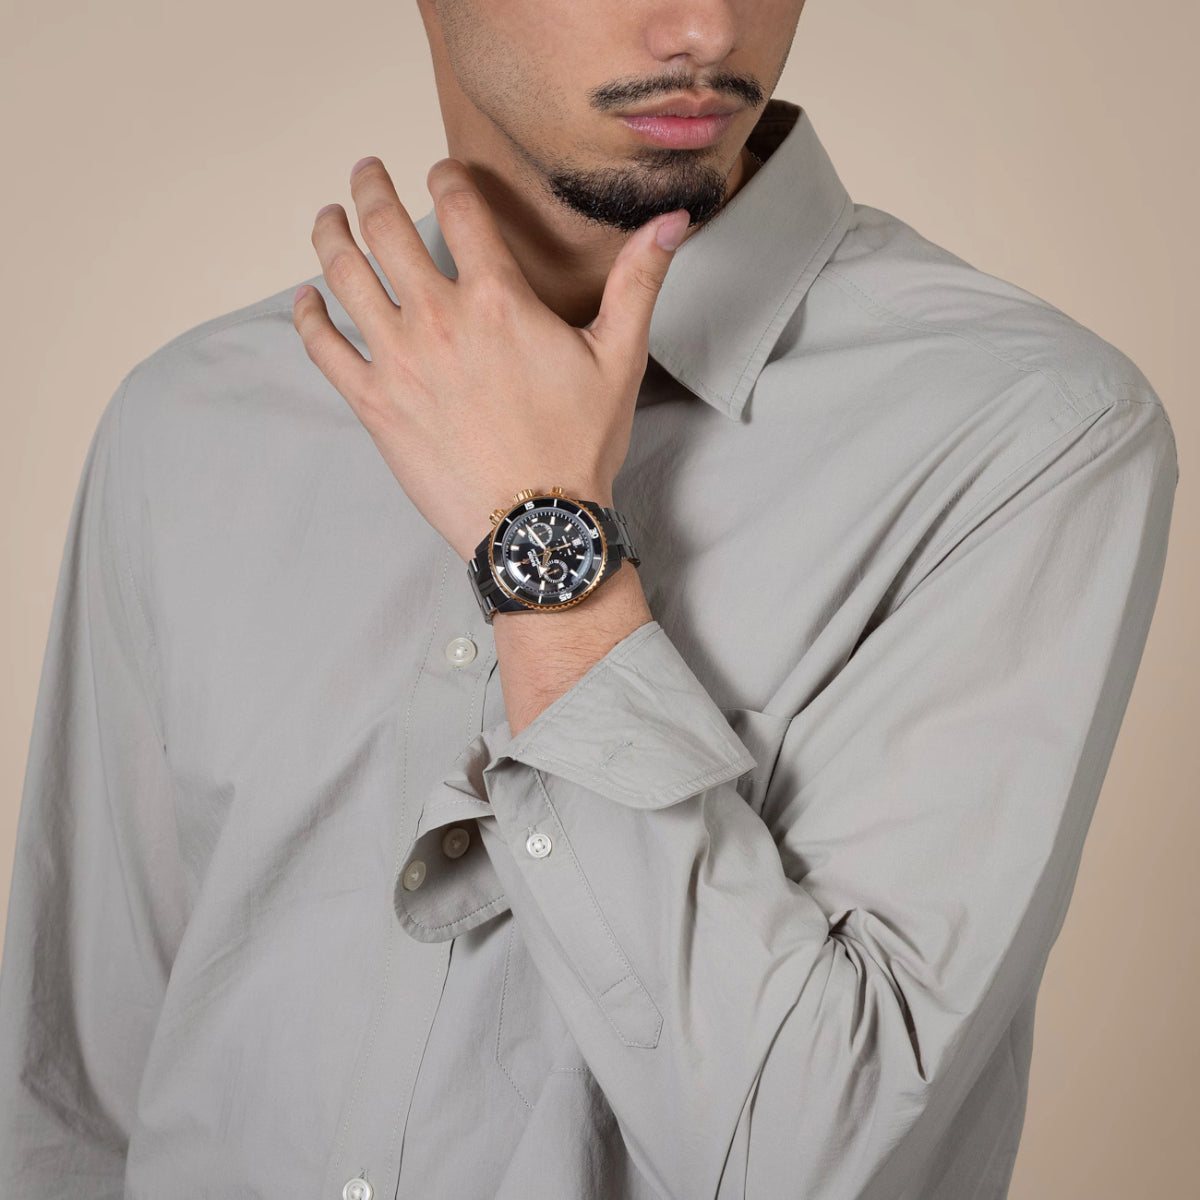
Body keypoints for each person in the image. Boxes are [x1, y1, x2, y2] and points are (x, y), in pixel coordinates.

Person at [0, 0, 1179, 1196]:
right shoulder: (192, 421)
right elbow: (75, 1111)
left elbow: (810, 1163)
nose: (708, 27)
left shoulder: (1028, 434)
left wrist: (545, 543)